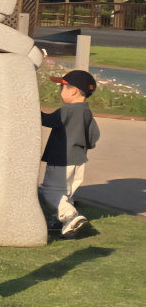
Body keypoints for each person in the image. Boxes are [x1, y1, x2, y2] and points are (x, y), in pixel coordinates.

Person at [40, 69, 100, 239]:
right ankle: (61, 222)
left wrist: (31, 110)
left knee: (51, 191)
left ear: (72, 91)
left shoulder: (68, 110)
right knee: (66, 193)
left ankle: (70, 216)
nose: (60, 91)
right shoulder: (87, 112)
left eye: (62, 88)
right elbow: (94, 136)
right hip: (78, 160)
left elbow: (48, 120)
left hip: (61, 159)